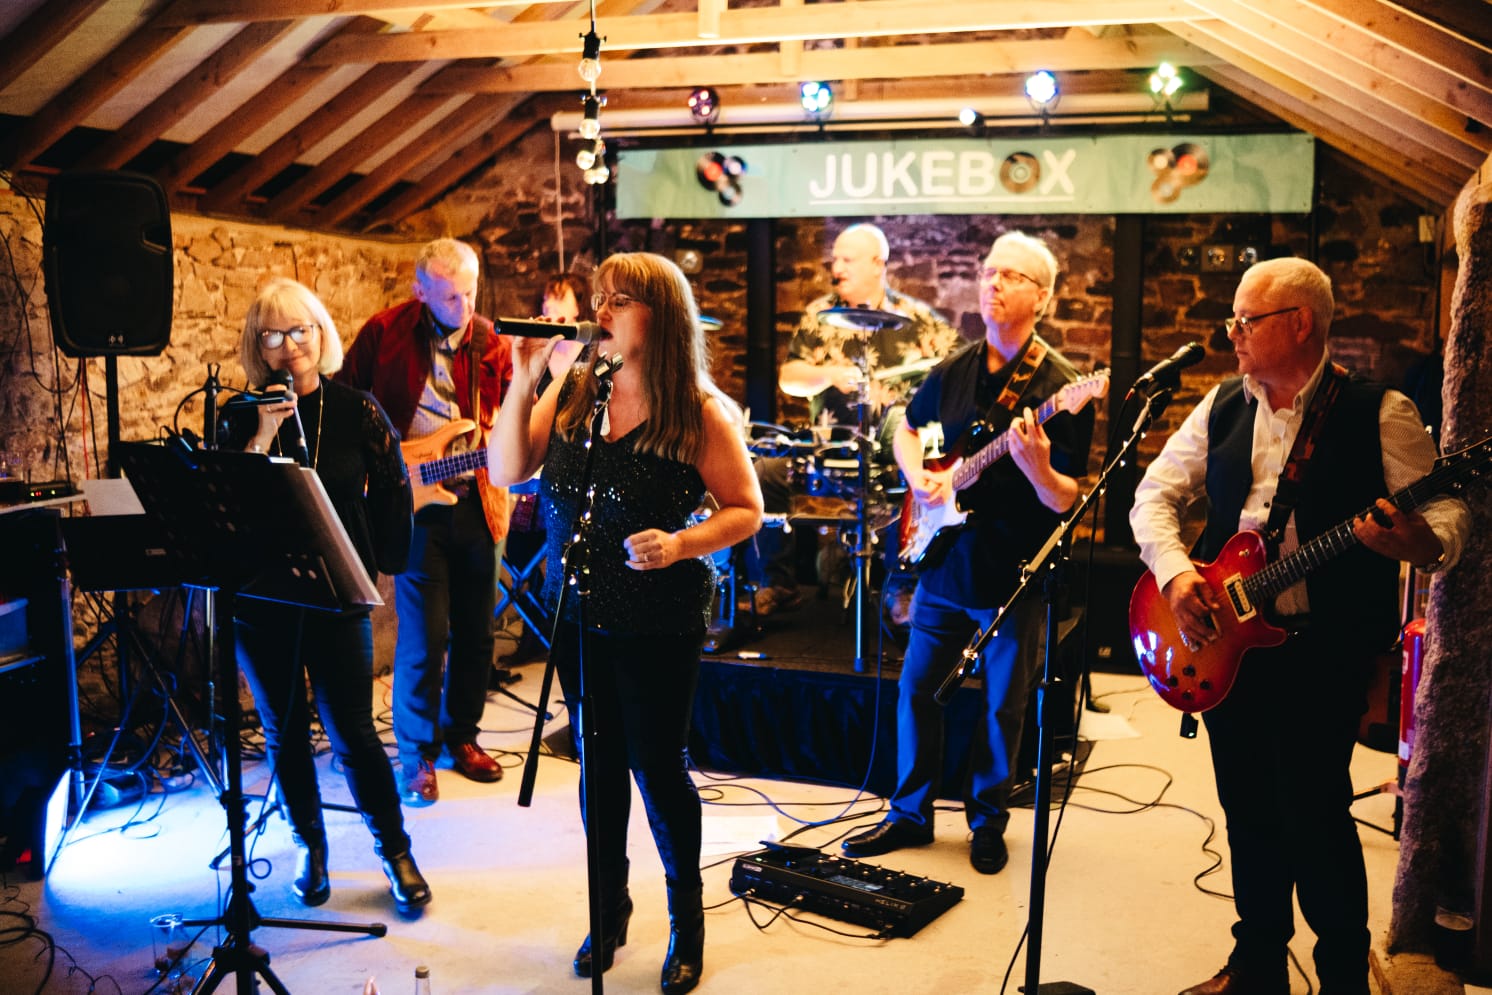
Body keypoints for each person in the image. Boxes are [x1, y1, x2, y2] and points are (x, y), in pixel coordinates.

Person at [1128, 257, 1471, 995]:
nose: (1232, 334)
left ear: (1299, 323)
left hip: (1323, 649)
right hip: (1229, 646)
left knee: (1315, 816)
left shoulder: (1380, 411)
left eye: (1245, 321)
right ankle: (1257, 963)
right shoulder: (1223, 404)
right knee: (1246, 808)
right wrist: (1177, 574)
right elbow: (1153, 495)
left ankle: (1343, 976)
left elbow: (1448, 513)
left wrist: (1413, 541)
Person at [488, 252, 763, 994]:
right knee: (597, 764)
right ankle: (608, 905)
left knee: (657, 769)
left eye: (620, 300)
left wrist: (681, 543)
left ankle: (686, 919)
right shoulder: (578, 388)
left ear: (659, 316)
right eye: (600, 297)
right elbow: (507, 468)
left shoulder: (696, 412)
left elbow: (746, 508)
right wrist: (523, 377)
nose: (600, 311)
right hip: (577, 612)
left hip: (658, 618)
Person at [842, 231, 1095, 876]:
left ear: (1042, 297)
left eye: (1010, 276)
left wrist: (1038, 468)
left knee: (1003, 706)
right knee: (916, 691)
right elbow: (906, 431)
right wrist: (919, 479)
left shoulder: (1064, 388)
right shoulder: (955, 370)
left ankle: (987, 822)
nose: (992, 283)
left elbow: (1068, 498)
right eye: (988, 273)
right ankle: (910, 814)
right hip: (945, 564)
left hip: (1014, 572)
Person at [224, 277, 431, 914]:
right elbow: (227, 503)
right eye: (273, 335)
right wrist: (260, 435)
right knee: (283, 732)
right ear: (258, 346)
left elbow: (393, 486)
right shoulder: (236, 415)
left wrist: (383, 564)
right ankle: (308, 845)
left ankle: (395, 850)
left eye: (301, 330)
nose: (290, 346)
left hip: (338, 592)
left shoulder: (355, 410)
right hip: (263, 599)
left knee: (354, 732)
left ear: (321, 333)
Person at [336, 237, 513, 807]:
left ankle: (463, 736)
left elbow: (513, 420)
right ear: (420, 290)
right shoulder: (383, 333)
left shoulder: (494, 343)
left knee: (477, 631)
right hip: (411, 504)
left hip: (478, 497)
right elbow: (342, 404)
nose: (464, 307)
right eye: (450, 296)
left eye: (470, 293)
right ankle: (416, 753)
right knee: (424, 635)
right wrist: (379, 469)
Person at [749, 223, 960, 621]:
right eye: (835, 259)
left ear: (878, 263)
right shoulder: (820, 315)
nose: (837, 268)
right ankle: (778, 583)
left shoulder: (918, 320)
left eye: (847, 260)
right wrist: (828, 374)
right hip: (828, 453)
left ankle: (901, 587)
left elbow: (956, 373)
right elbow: (789, 377)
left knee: (917, 478)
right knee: (764, 473)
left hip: (891, 456)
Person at [498, 273, 595, 670]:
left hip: (571, 473)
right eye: (546, 302)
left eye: (560, 301)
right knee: (520, 547)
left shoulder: (590, 356)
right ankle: (534, 628)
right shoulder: (543, 354)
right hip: (536, 470)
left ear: (579, 307)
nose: (550, 309)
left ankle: (552, 629)